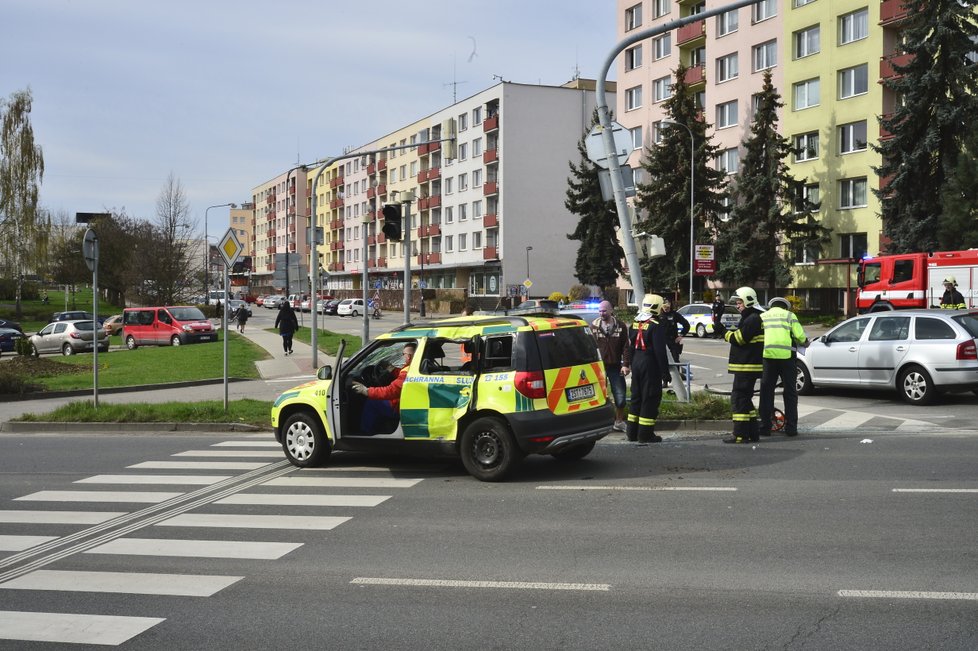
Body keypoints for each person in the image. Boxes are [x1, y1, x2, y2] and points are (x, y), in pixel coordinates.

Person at [758, 297, 809, 437]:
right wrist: (805, 342)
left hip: (768, 357)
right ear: (785, 307)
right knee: (790, 393)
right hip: (787, 359)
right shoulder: (789, 315)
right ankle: (791, 428)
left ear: (771, 306)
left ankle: (765, 427)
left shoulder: (763, 316)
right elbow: (800, 336)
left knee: (766, 392)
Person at [626, 293, 671, 444]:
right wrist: (665, 373)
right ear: (657, 307)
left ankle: (632, 433)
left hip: (637, 363)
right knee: (650, 398)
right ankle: (645, 435)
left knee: (636, 398)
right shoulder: (656, 325)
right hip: (649, 364)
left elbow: (631, 347)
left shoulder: (634, 323)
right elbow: (660, 351)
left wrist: (632, 365)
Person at [723, 287, 765, 444]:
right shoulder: (752, 317)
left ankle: (740, 435)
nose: (738, 305)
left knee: (739, 399)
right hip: (748, 366)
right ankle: (752, 433)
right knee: (745, 400)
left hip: (746, 366)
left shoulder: (753, 318)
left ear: (748, 301)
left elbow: (739, 339)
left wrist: (724, 332)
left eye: (739, 302)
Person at [350, 342, 417, 433]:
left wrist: (366, 390)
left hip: (399, 406)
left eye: (403, 354)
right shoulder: (415, 367)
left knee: (372, 403)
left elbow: (390, 391)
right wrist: (392, 369)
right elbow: (402, 374)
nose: (403, 356)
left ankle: (365, 433)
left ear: (408, 356)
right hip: (408, 402)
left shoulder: (408, 372)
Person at [589, 300, 632, 433]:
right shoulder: (593, 327)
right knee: (595, 397)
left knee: (620, 396)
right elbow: (590, 347)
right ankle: (596, 423)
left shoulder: (621, 326)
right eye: (600, 311)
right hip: (598, 368)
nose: (602, 313)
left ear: (611, 310)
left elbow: (626, 347)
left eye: (604, 311)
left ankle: (618, 422)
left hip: (615, 367)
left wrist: (625, 365)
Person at [659, 298, 690, 365]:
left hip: (673, 341)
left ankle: (677, 375)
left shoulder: (674, 314)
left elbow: (686, 325)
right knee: (662, 362)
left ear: (670, 305)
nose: (665, 308)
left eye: (667, 306)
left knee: (675, 361)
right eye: (664, 306)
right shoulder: (659, 315)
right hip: (662, 342)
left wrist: (681, 336)